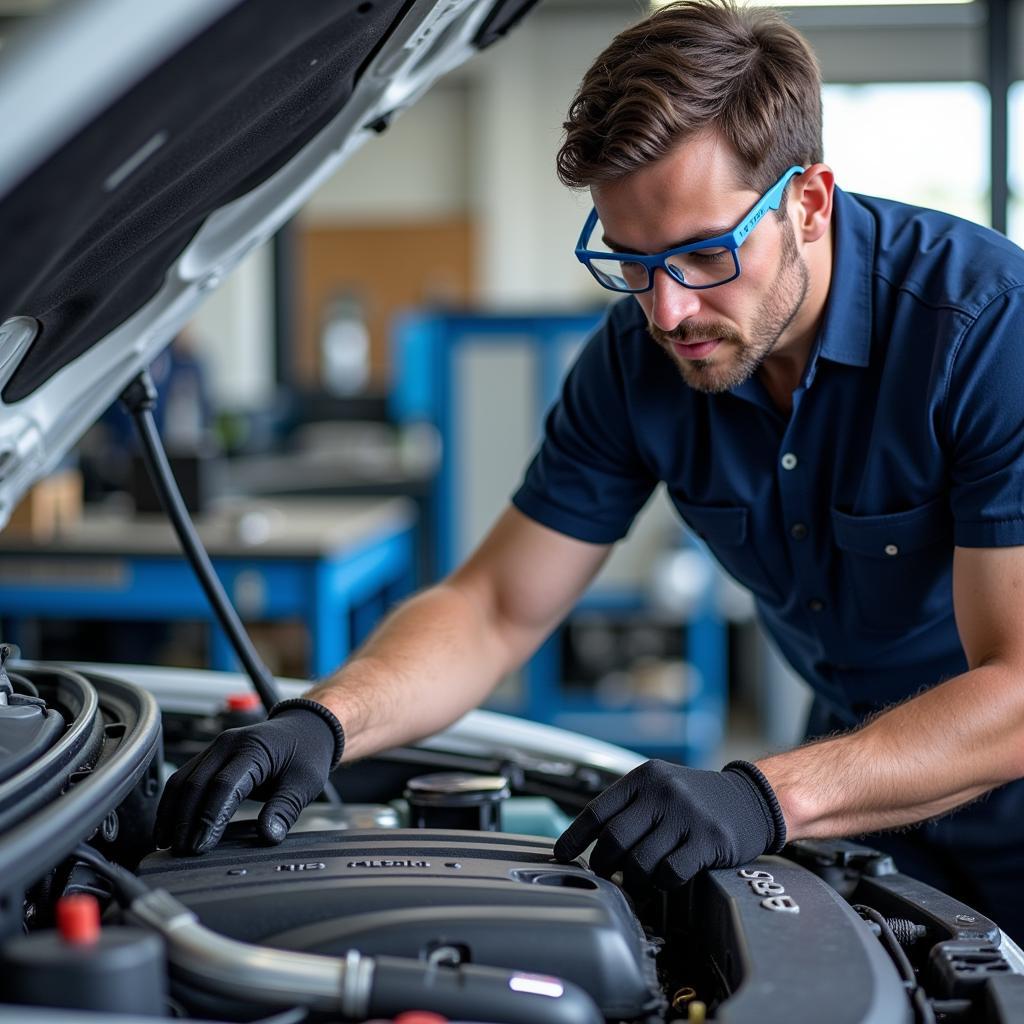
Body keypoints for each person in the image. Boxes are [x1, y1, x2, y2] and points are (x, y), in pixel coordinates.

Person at [155, 0, 1024, 941]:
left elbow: (1018, 685)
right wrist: (325, 722)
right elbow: (494, 606)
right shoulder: (637, 359)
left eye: (703, 253)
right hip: (863, 782)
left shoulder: (983, 331)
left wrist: (765, 794)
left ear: (807, 203)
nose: (667, 310)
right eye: (632, 261)